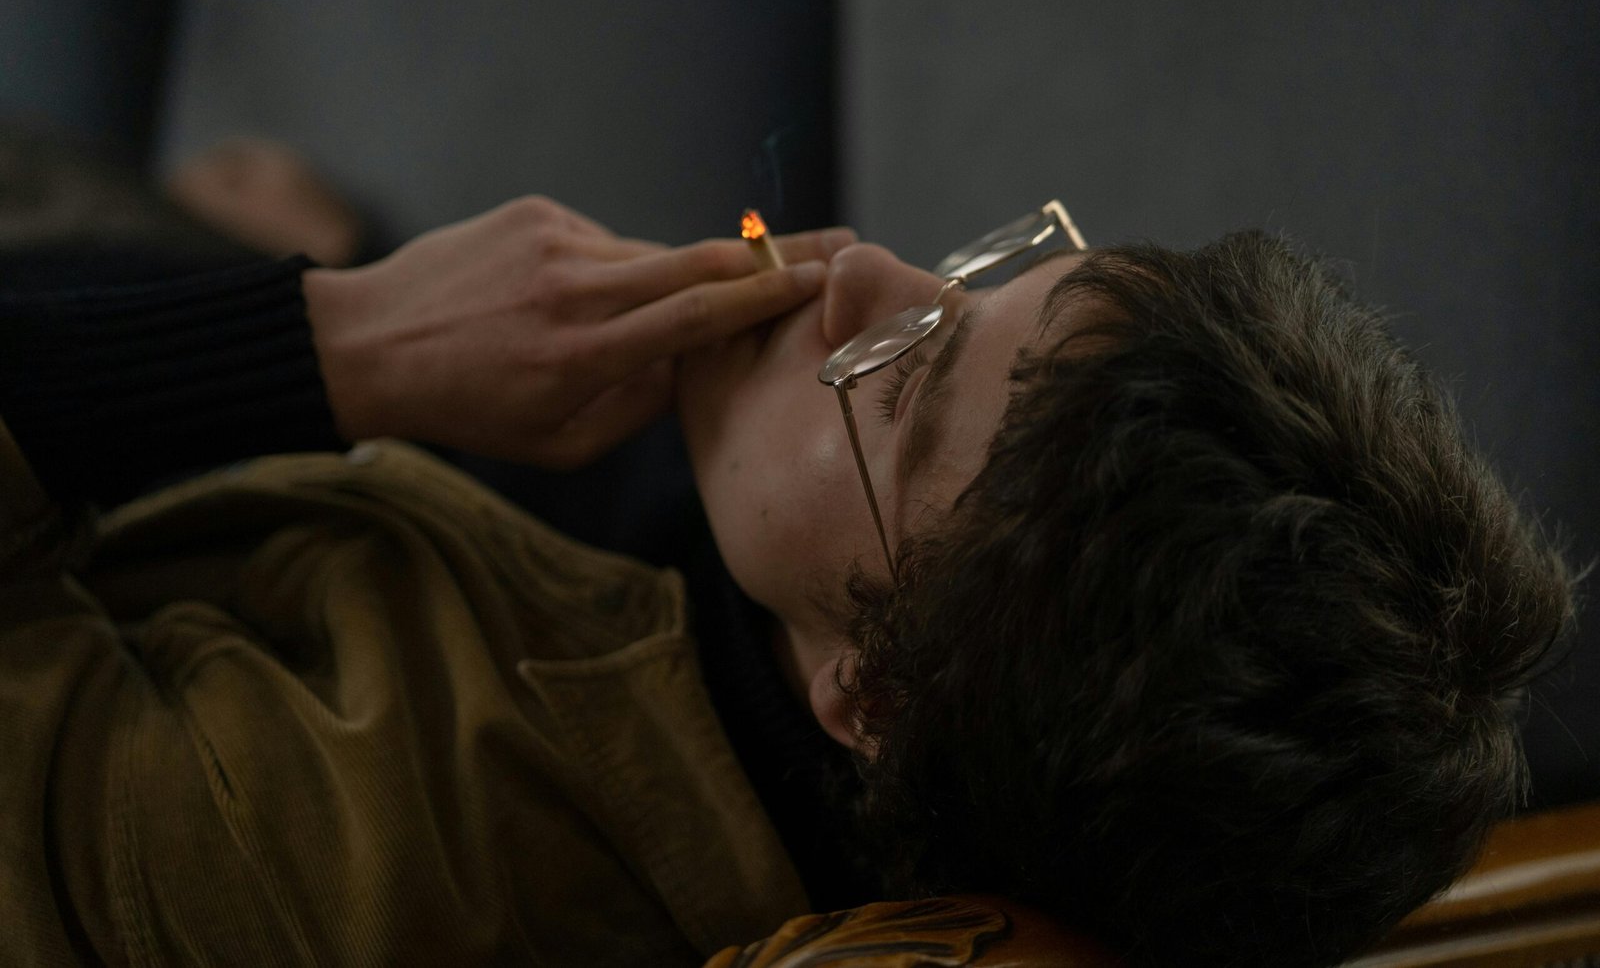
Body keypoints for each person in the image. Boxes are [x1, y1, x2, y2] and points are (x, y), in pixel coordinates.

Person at [0, 145, 1575, 966]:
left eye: (904, 382)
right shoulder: (766, 616)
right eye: (983, 277)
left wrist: (323, 338)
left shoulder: (313, 873)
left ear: (870, 696)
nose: (866, 277)